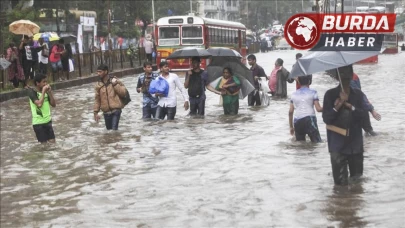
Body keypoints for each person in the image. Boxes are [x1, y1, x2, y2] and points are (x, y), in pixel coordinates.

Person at [322, 65, 369, 186]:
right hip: (337, 147)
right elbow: (327, 119)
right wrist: (339, 104)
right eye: (342, 73)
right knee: (340, 187)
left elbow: (364, 117)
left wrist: (350, 106)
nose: (345, 76)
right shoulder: (330, 95)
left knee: (357, 184)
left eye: (348, 72)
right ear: (337, 76)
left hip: (355, 146)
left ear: (352, 74)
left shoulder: (358, 95)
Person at [289, 75, 323, 143]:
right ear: (309, 81)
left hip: (297, 121)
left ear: (298, 81)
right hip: (310, 120)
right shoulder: (313, 92)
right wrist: (330, 106)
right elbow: (318, 109)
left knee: (300, 145)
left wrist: (291, 127)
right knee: (317, 143)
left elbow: (290, 112)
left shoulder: (293, 94)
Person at [93, 65, 128, 130]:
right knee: (109, 131)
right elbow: (97, 99)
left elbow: (123, 93)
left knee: (114, 130)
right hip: (106, 112)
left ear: (106, 71)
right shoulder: (98, 85)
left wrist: (115, 84)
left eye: (100, 72)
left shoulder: (115, 80)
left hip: (116, 110)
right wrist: (95, 112)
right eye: (97, 72)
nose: (98, 74)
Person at [28, 73, 56, 144]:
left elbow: (54, 105)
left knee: (53, 144)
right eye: (43, 82)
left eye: (46, 82)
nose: (45, 84)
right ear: (37, 83)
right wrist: (43, 92)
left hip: (48, 122)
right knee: (44, 146)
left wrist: (50, 93)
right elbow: (39, 104)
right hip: (38, 124)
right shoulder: (32, 92)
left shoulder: (46, 92)